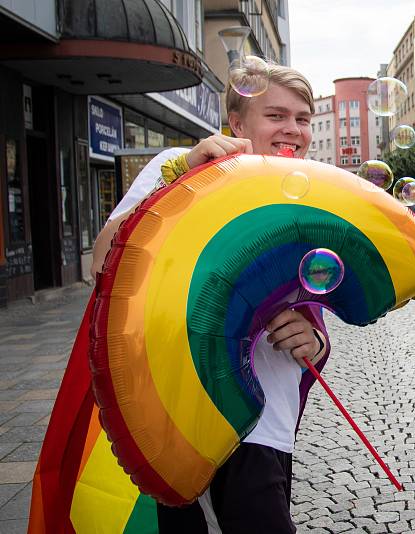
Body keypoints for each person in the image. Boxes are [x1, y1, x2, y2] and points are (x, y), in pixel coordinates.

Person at [92, 62, 328, 533]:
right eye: (276, 115)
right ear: (237, 124)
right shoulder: (179, 166)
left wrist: (314, 342)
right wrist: (181, 177)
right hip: (175, 409)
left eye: (302, 118)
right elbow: (103, 259)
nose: (293, 129)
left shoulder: (315, 199)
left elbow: (319, 311)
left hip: (262, 420)